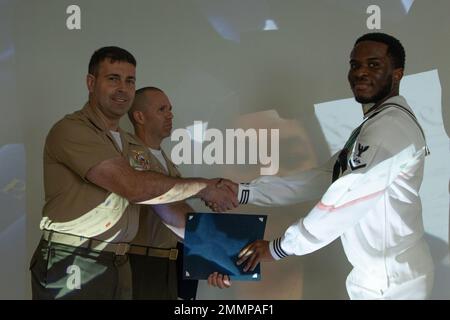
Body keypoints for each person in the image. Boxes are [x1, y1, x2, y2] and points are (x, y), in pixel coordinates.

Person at [210, 33, 435, 299]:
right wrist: (245, 191)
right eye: (355, 65)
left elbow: (342, 200)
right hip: (376, 277)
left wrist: (278, 248)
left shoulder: (389, 127)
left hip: (393, 281)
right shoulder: (376, 123)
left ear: (397, 74)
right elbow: (323, 177)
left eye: (373, 64)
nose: (361, 72)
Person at [29, 46, 237, 300]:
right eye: (113, 79)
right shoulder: (72, 130)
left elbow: (166, 206)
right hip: (73, 258)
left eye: (130, 81)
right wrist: (205, 187)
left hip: (117, 261)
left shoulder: (133, 146)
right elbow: (133, 187)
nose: (123, 88)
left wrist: (220, 254)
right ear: (91, 82)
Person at [126, 86, 200, 299]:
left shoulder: (165, 162)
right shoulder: (131, 153)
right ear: (139, 116)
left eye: (170, 109)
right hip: (142, 261)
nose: (170, 115)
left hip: (170, 260)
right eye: (162, 109)